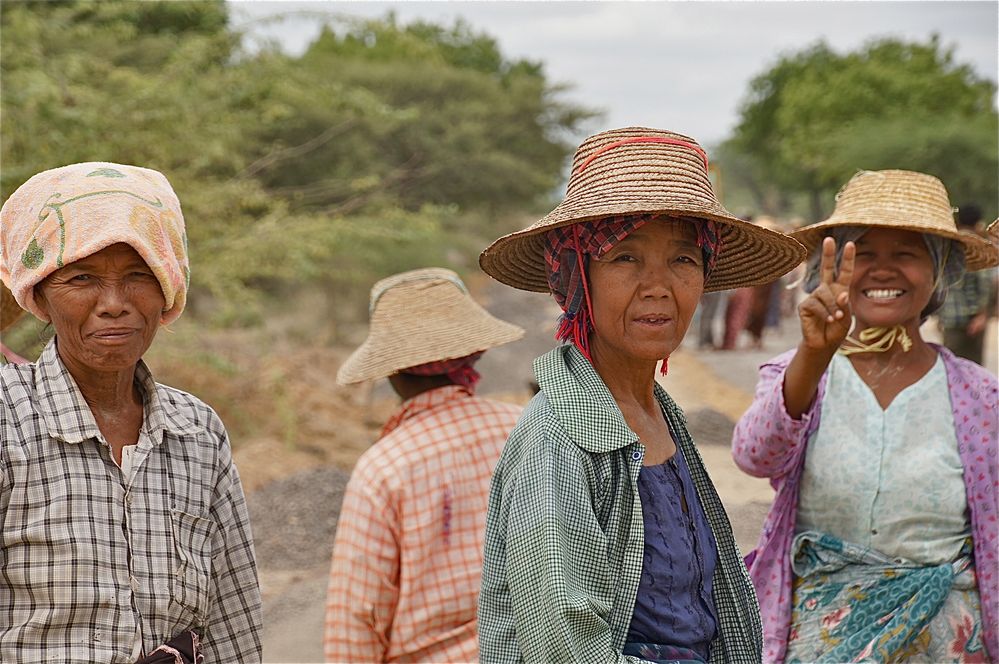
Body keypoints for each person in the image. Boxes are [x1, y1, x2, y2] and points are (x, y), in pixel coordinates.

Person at [477, 127, 807, 663]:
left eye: (682, 260)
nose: (659, 286)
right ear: (576, 278)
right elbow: (563, 651)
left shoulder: (655, 411)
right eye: (625, 258)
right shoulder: (559, 441)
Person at [732, 169, 999, 663]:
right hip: (819, 637)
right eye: (863, 254)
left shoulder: (980, 395)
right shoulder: (801, 373)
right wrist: (813, 354)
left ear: (938, 271)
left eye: (906, 254)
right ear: (832, 266)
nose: (883, 270)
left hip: (948, 641)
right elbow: (754, 456)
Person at [0, 162, 263, 663]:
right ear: (40, 294)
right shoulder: (7, 419)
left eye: (139, 276)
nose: (115, 303)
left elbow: (234, 625)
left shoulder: (198, 433)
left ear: (168, 289)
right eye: (82, 278)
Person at [324, 267, 525, 663]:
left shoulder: (383, 468)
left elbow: (358, 618)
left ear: (392, 370)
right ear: (472, 353)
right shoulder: (525, 428)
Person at [937, 204, 997, 364]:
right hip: (970, 320)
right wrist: (982, 315)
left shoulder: (946, 245)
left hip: (950, 319)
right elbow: (984, 284)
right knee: (973, 368)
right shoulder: (975, 247)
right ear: (978, 223)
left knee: (951, 366)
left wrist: (939, 317)